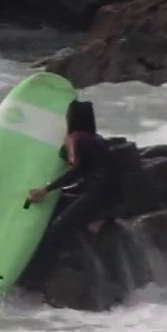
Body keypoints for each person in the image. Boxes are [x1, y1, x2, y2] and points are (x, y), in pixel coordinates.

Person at [23, 100, 122, 295]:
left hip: (95, 196)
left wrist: (46, 189)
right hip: (113, 196)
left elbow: (77, 170)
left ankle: (36, 280)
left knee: (57, 228)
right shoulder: (97, 139)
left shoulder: (76, 139)